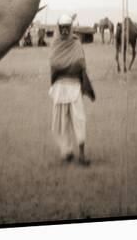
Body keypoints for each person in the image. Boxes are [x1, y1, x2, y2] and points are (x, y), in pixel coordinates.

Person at [48, 13, 96, 166]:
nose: (63, 31)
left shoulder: (76, 43)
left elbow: (80, 63)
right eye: (61, 28)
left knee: (79, 120)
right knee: (61, 123)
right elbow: (54, 64)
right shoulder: (55, 43)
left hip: (74, 87)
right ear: (58, 27)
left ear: (70, 28)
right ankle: (66, 152)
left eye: (66, 28)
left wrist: (68, 67)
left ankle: (81, 155)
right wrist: (70, 66)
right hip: (60, 89)